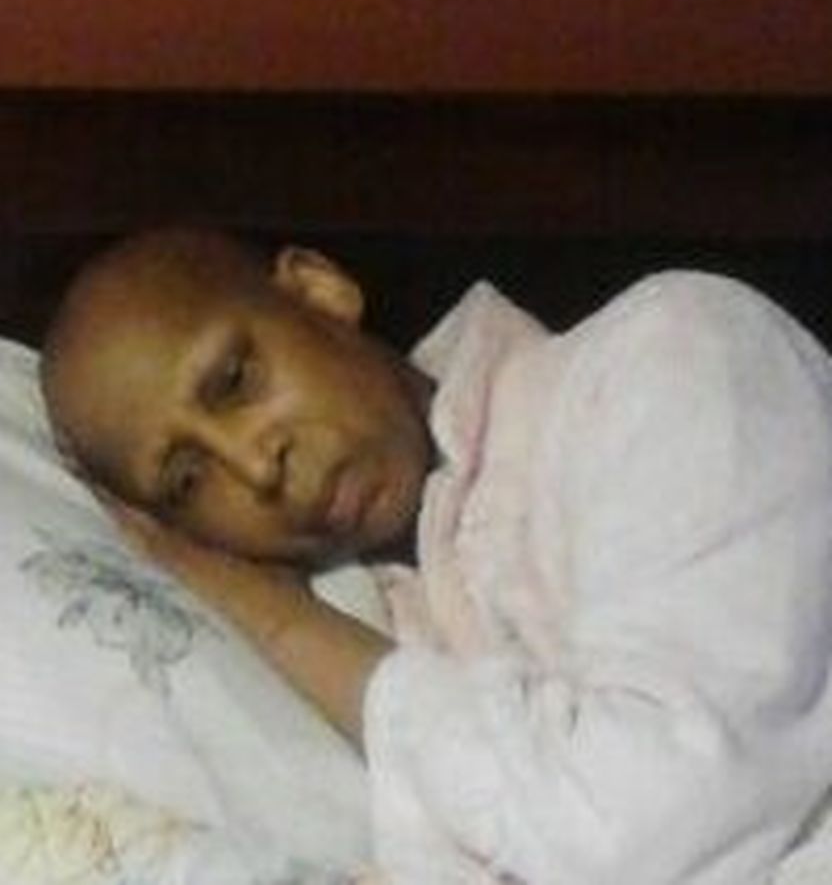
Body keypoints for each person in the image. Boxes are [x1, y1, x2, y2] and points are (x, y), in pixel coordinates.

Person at [41, 227, 832, 884]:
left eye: (236, 380)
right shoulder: (375, 625)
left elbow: (646, 824)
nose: (255, 467)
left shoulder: (670, 356)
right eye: (188, 481)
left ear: (318, 291)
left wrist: (283, 625)